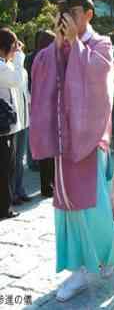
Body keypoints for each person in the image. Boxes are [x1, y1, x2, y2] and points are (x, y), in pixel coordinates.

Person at [29, 0, 114, 302]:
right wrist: (58, 46)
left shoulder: (100, 45)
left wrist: (75, 45)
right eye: (64, 11)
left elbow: (99, 79)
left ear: (88, 13)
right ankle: (78, 269)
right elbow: (43, 77)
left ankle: (109, 250)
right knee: (66, 207)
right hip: (64, 139)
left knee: (91, 204)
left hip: (89, 139)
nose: (67, 17)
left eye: (73, 10)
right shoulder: (60, 45)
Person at [26, 30, 56, 198]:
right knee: (49, 150)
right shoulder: (47, 58)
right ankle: (48, 185)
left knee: (44, 148)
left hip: (36, 104)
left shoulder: (31, 57)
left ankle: (46, 185)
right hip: (46, 106)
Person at [0, 28, 25, 220]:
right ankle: (4, 208)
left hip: (6, 126)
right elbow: (17, 80)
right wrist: (18, 57)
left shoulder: (4, 64)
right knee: (5, 168)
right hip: (3, 128)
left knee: (7, 167)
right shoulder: (1, 66)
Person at [10, 40, 32, 205]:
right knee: (13, 160)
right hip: (12, 121)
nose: (18, 49)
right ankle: (12, 192)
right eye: (15, 46)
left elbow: (25, 90)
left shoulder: (20, 68)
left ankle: (19, 189)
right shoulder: (8, 67)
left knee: (20, 159)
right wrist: (18, 57)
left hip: (24, 119)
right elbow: (16, 81)